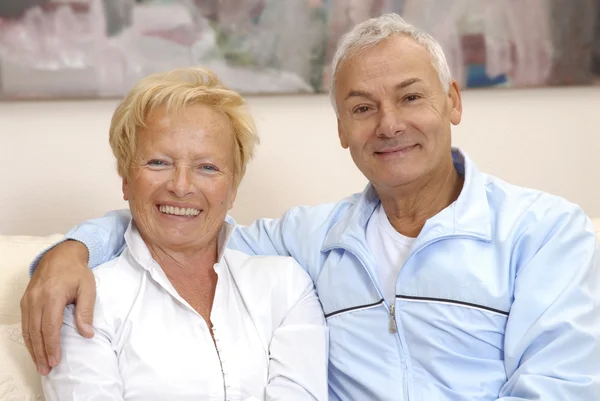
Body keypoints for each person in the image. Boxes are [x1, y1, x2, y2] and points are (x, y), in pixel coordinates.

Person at [23, 13, 599, 401]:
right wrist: (69, 252)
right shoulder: (308, 241)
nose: (389, 124)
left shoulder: (544, 232)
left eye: (411, 96)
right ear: (342, 129)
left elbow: (561, 385)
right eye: (363, 107)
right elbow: (179, 223)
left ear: (452, 101)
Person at [39, 66, 329, 401]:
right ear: (125, 180)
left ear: (233, 188)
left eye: (207, 167)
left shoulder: (286, 286)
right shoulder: (85, 299)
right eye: (158, 163)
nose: (180, 186)